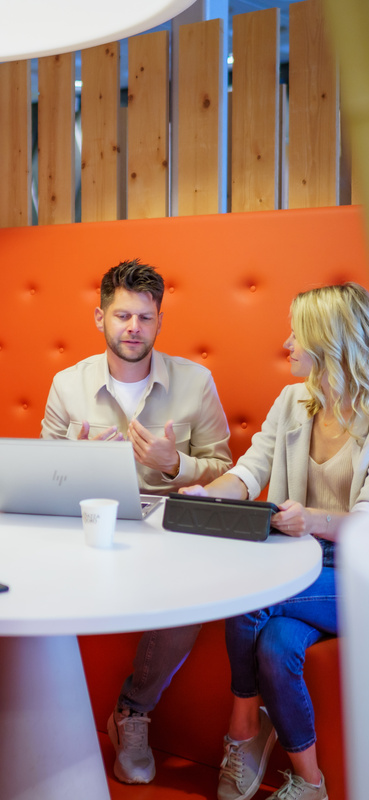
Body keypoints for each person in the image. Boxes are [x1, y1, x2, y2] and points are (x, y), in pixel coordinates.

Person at [181, 282, 369, 800]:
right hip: (298, 561)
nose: (286, 343)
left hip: (362, 576)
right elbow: (248, 471)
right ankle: (310, 783)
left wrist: (312, 520)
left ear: (330, 344)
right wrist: (209, 494)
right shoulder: (292, 401)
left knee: (251, 593)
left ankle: (242, 722)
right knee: (277, 644)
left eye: (296, 334)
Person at [41, 258, 232, 785]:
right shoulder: (67, 383)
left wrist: (174, 462)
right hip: (88, 521)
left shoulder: (196, 382)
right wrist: (74, 463)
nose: (133, 328)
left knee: (193, 592)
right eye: (122, 316)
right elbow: (42, 472)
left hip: (167, 525)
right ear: (99, 317)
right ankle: (38, 723)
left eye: (145, 318)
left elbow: (226, 468)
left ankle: (132, 712)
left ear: (159, 321)